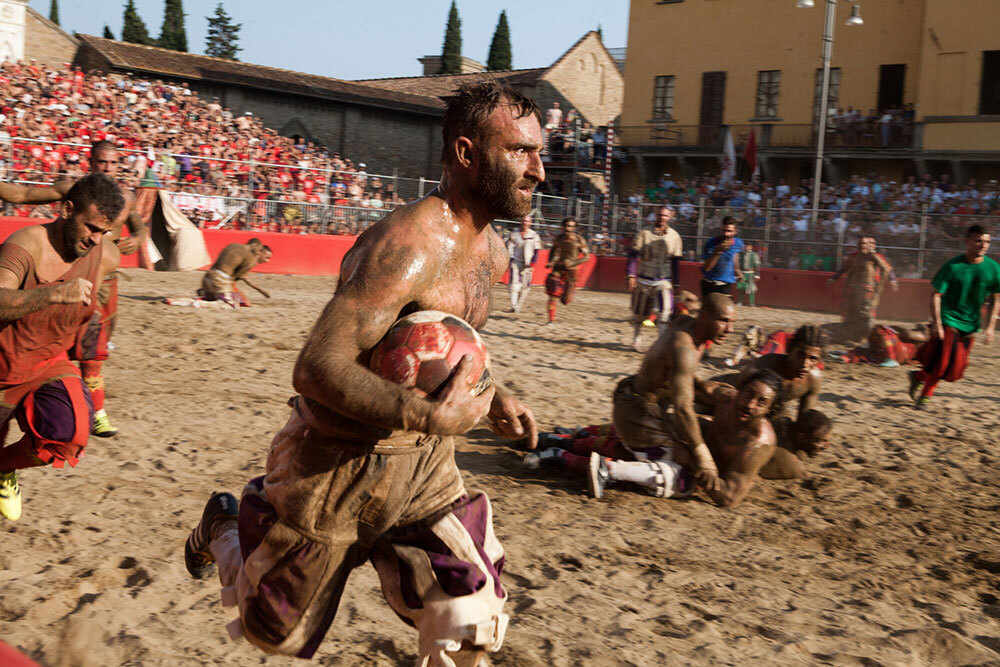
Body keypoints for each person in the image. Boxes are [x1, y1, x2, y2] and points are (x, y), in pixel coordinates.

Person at [182, 81, 541, 665]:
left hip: (425, 465)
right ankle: (225, 523)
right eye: (521, 152)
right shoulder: (407, 246)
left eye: (538, 153)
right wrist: (428, 413)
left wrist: (494, 396)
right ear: (467, 154)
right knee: (274, 631)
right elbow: (316, 366)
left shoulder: (493, 254)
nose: (539, 171)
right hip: (335, 465)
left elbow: (438, 352)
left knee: (472, 615)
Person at [0, 174, 125, 521]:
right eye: (91, 228)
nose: (95, 239)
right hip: (2, 366)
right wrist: (52, 293)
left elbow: (97, 306)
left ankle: (4, 469)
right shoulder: (26, 244)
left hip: (48, 363)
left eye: (103, 232)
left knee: (71, 434)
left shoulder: (101, 252)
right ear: (67, 209)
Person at [588, 369, 783, 508]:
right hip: (695, 451)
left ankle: (606, 467)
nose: (750, 404)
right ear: (739, 390)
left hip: (700, 471)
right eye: (748, 394)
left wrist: (693, 462)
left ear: (770, 411)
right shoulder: (727, 399)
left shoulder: (758, 444)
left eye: (761, 402)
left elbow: (728, 499)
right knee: (664, 422)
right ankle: (581, 435)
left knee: (679, 480)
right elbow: (681, 384)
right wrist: (635, 384)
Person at [605, 292, 736, 495]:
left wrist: (700, 385)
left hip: (631, 401)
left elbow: (669, 368)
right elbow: (683, 408)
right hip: (637, 416)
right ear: (704, 316)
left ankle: (572, 442)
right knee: (688, 480)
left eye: (732, 322)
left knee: (696, 432)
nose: (730, 329)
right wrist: (703, 457)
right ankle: (608, 470)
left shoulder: (684, 324)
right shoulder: (685, 349)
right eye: (724, 321)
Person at [67, 140, 150, 437]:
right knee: (85, 346)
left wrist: (139, 238)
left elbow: (139, 225)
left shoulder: (126, 197)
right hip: (79, 275)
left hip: (110, 281)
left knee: (99, 345)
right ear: (91, 163)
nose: (108, 168)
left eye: (113, 163)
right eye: (102, 162)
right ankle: (95, 412)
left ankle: (84, 403)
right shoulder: (78, 192)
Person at [908, 225, 1000, 409]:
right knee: (943, 363)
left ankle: (918, 377)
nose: (983, 245)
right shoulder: (952, 266)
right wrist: (938, 323)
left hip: (972, 323)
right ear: (967, 242)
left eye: (987, 241)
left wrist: (990, 327)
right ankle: (925, 398)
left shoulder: (993, 268)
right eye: (978, 240)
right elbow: (936, 295)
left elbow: (996, 297)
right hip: (949, 319)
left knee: (956, 370)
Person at [626, 205, 683, 350]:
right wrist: (631, 274)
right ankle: (637, 339)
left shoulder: (675, 236)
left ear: (670, 217)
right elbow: (633, 255)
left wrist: (676, 283)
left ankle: (661, 343)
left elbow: (675, 262)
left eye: (665, 216)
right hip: (644, 277)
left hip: (663, 279)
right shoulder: (644, 233)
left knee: (664, 312)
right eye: (659, 215)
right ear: (655, 215)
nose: (662, 218)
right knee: (639, 312)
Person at [739, 325, 824, 420]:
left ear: (818, 360)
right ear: (790, 350)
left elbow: (805, 419)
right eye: (800, 355)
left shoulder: (813, 379)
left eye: (813, 358)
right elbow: (736, 397)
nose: (805, 363)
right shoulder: (765, 365)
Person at [827, 236, 898, 343]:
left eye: (865, 244)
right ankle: (849, 334)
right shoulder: (853, 256)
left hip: (868, 289)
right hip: (853, 288)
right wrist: (834, 277)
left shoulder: (875, 256)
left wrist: (893, 280)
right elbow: (844, 268)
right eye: (861, 244)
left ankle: (864, 336)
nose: (862, 246)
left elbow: (887, 268)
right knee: (849, 310)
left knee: (866, 312)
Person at [757, 410, 833, 480]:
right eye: (821, 441)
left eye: (828, 440)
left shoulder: (783, 421)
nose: (827, 447)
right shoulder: (789, 462)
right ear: (801, 438)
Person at [198, 239, 273, 307]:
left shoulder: (233, 245)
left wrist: (260, 290)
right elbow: (235, 278)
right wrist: (240, 295)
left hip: (208, 276)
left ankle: (203, 294)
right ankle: (200, 304)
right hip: (219, 280)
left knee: (215, 297)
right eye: (267, 257)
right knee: (233, 304)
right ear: (260, 251)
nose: (267, 261)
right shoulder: (252, 258)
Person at [544, 216, 589, 324]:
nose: (568, 228)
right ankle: (551, 320)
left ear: (574, 228)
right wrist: (550, 261)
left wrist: (573, 263)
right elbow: (553, 251)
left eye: (570, 226)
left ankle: (566, 293)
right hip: (558, 268)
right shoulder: (558, 239)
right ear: (563, 226)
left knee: (566, 300)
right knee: (552, 293)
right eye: (566, 226)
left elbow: (587, 257)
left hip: (572, 271)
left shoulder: (580, 240)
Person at [506, 214, 541, 313]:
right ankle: (513, 305)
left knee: (525, 287)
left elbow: (537, 250)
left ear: (530, 223)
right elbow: (510, 247)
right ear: (520, 221)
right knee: (513, 283)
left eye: (527, 221)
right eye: (523, 221)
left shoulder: (534, 235)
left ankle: (518, 305)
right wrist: (511, 259)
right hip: (516, 261)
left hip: (528, 263)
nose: (524, 223)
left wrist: (533, 264)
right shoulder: (514, 233)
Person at [700, 217, 744, 296]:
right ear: (721, 229)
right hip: (709, 283)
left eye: (729, 231)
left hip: (725, 285)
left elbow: (735, 255)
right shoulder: (711, 243)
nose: (726, 234)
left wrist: (738, 271)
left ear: (735, 232)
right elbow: (707, 268)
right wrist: (718, 251)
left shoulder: (738, 243)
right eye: (724, 230)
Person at [736, 241, 762, 307]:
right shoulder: (740, 254)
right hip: (742, 273)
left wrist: (757, 275)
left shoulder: (754, 254)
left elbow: (757, 265)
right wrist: (738, 274)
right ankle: (740, 302)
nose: (746, 247)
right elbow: (737, 265)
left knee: (751, 289)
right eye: (745, 246)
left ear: (751, 247)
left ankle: (751, 303)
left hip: (750, 273)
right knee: (740, 288)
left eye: (748, 246)